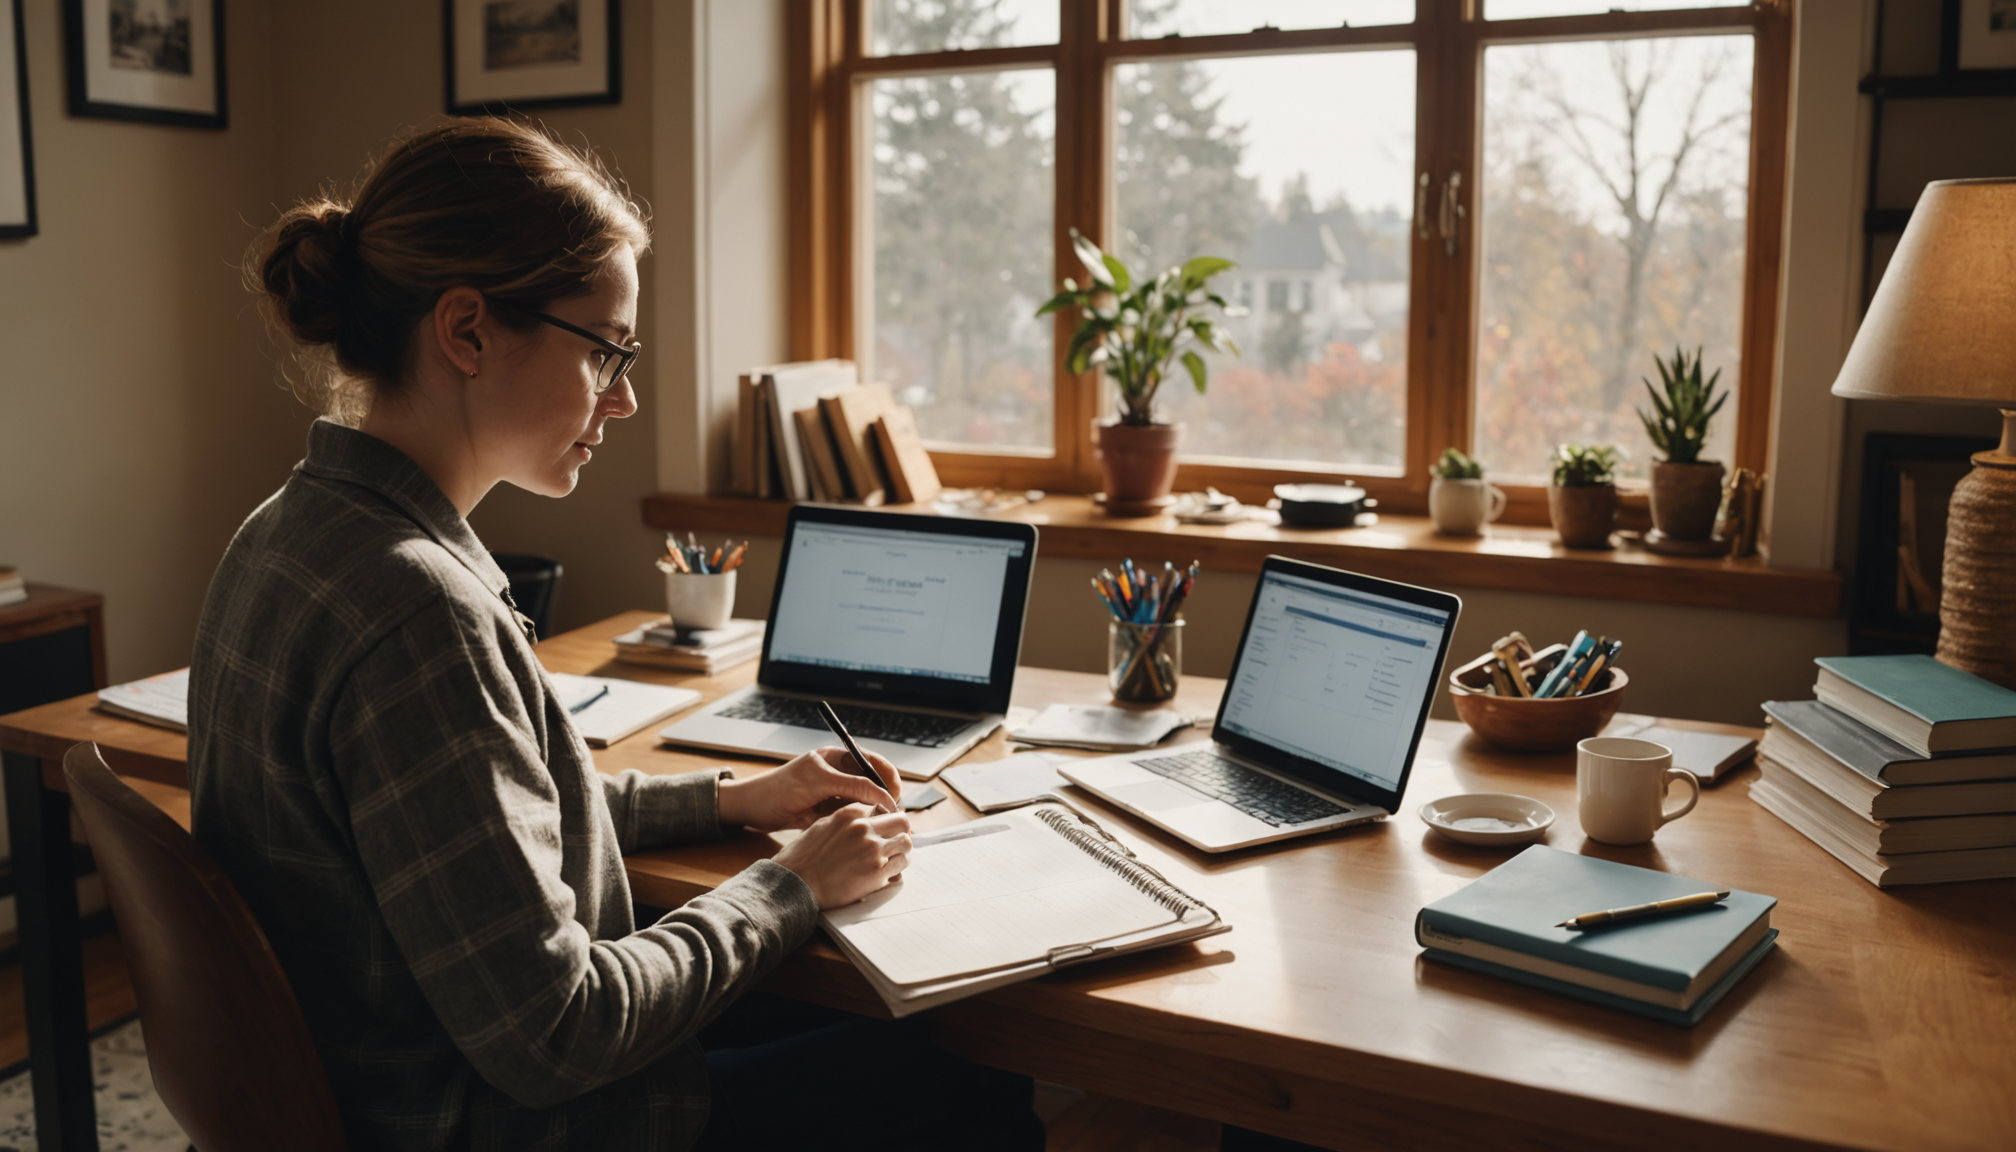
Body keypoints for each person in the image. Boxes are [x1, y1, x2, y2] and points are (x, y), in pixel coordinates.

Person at [188, 118, 1042, 1151]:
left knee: (843, 1007)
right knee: (964, 1061)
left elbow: (483, 827)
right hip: (506, 1120)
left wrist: (736, 799)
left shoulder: (287, 529)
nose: (627, 397)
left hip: (387, 1078)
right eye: (606, 353)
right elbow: (556, 1035)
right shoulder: (419, 610)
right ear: (466, 332)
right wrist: (794, 882)